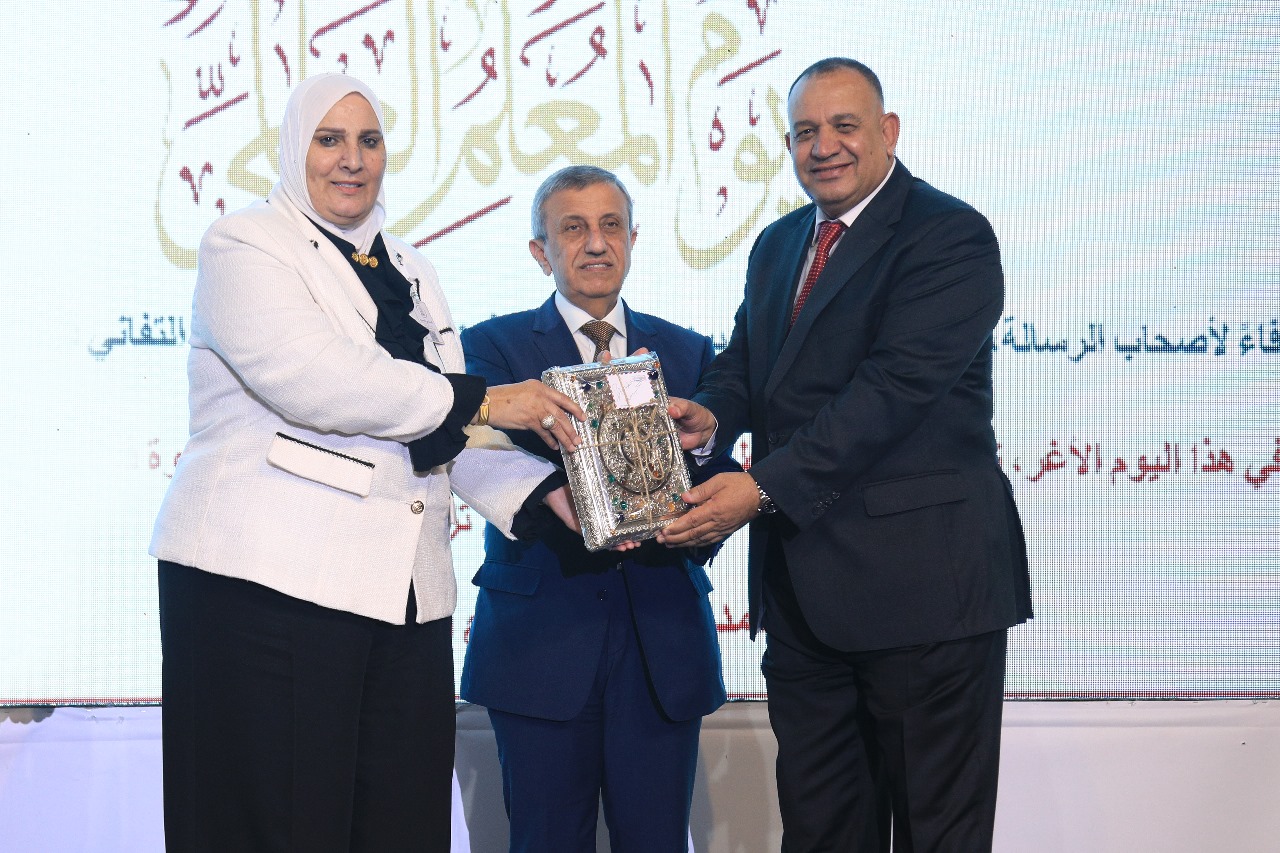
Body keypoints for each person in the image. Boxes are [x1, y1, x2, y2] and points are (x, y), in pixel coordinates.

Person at [150, 74, 589, 853]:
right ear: (295, 147)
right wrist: (490, 399)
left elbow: (441, 424)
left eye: (369, 140)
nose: (351, 159)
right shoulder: (244, 244)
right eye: (329, 139)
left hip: (403, 594)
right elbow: (321, 380)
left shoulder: (411, 268)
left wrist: (547, 493)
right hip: (269, 591)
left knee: (401, 824)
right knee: (280, 824)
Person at [657, 58, 1033, 852]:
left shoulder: (950, 235)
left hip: (925, 593)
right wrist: (713, 409)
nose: (822, 146)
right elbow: (751, 361)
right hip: (805, 598)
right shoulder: (779, 243)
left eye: (843, 126)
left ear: (888, 132)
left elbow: (890, 393)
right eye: (804, 132)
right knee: (821, 829)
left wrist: (760, 487)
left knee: (936, 831)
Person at [459, 165, 737, 852]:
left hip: (662, 644)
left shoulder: (686, 351)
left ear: (633, 240)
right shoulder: (491, 347)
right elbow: (468, 457)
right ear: (540, 251)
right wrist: (560, 497)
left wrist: (702, 480)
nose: (595, 243)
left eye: (611, 225)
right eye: (573, 228)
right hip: (540, 646)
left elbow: (715, 469)